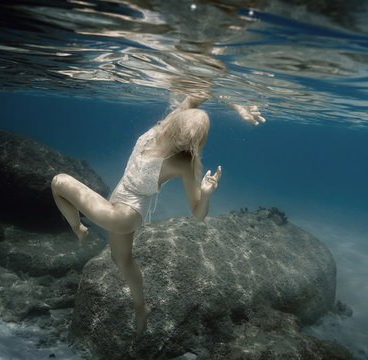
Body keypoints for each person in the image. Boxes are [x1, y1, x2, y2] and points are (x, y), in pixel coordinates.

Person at [50, 95, 264, 336]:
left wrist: (205, 195)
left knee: (58, 183)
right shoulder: (168, 128)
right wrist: (238, 105)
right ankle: (142, 308)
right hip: (124, 201)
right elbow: (204, 90)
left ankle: (78, 229)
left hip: (124, 214)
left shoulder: (183, 162)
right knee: (122, 260)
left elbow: (198, 214)